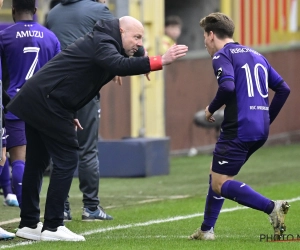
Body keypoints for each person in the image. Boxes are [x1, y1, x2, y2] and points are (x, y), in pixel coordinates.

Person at [8, 16, 188, 241]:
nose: (140, 43)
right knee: (67, 159)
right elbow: (117, 64)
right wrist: (159, 60)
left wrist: (71, 112)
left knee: (37, 162)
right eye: (137, 37)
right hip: (47, 102)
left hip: (41, 100)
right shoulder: (103, 42)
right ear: (121, 31)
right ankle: (53, 226)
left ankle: (29, 223)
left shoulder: (105, 41)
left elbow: (75, 77)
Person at [189, 12, 291, 241]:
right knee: (217, 174)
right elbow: (284, 89)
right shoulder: (257, 55)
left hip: (238, 128)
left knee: (220, 182)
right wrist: (266, 118)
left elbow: (227, 87)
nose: (205, 42)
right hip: (259, 129)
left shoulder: (222, 55)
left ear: (211, 34)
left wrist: (210, 109)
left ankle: (271, 207)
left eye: (204, 36)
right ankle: (206, 230)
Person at [46, 0, 114, 221]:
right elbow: (119, 39)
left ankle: (62, 208)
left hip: (55, 89)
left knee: (60, 149)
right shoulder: (99, 10)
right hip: (84, 90)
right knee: (87, 149)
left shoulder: (53, 13)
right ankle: (91, 207)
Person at [0, 0, 60, 206]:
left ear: (13, 10)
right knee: (36, 161)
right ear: (35, 11)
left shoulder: (4, 36)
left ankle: (25, 209)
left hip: (14, 105)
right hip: (42, 107)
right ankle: (31, 211)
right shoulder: (51, 37)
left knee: (17, 157)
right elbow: (59, 75)